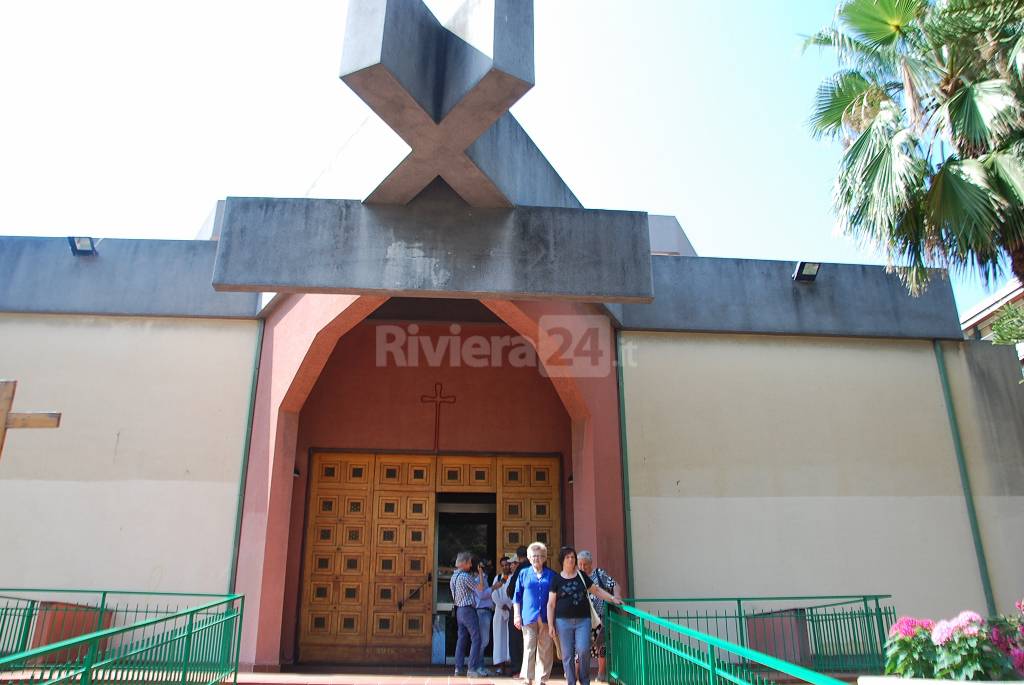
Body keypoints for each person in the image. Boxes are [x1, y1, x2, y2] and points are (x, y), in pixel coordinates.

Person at [547, 546, 622, 685]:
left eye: (572, 557)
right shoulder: (556, 579)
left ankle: (584, 680)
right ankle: (571, 681)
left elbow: (597, 590)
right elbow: (551, 604)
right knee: (568, 654)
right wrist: (551, 624)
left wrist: (612, 598)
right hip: (563, 622)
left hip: (583, 620)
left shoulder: (581, 576)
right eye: (568, 557)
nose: (571, 559)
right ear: (562, 560)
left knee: (583, 650)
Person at [513, 542, 556, 684]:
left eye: (539, 556)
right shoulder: (523, 573)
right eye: (533, 556)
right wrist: (516, 615)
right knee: (529, 647)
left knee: (545, 648)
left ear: (544, 558)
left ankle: (542, 679)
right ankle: (528, 677)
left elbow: (556, 596)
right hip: (528, 616)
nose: (536, 558)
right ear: (529, 558)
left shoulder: (551, 575)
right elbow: (516, 597)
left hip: (546, 617)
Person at [577, 550, 621, 683]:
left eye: (586, 564)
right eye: (580, 564)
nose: (583, 567)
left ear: (591, 564)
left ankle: (601, 674)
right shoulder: (576, 576)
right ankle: (575, 675)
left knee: (602, 646)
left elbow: (615, 585)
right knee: (580, 647)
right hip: (583, 618)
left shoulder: (598, 574)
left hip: (601, 618)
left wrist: (617, 596)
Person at [450, 551, 489, 677]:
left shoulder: (453, 577)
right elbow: (481, 588)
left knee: (461, 639)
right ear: (464, 563)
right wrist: (481, 574)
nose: (471, 564)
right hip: (468, 610)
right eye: (470, 562)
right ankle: (471, 668)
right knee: (476, 638)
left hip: (458, 610)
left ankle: (458, 668)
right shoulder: (465, 576)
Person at [506, 545, 530, 677]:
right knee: (530, 640)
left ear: (519, 557)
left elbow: (510, 590)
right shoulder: (537, 567)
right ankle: (531, 670)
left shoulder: (520, 569)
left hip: (518, 608)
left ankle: (517, 669)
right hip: (533, 609)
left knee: (516, 640)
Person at [491, 557, 516, 675]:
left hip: (512, 611)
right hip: (499, 611)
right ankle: (500, 665)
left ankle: (512, 664)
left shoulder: (514, 578)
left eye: (508, 565)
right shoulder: (498, 578)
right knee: (499, 638)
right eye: (503, 565)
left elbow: (516, 593)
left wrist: (510, 606)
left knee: (510, 638)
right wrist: (502, 605)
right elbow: (494, 593)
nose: (506, 567)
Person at [473, 557, 495, 658]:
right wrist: (493, 588)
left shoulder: (485, 579)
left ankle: (480, 666)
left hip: (487, 612)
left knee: (484, 641)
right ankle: (477, 666)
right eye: (487, 565)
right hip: (482, 612)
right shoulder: (478, 580)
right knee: (483, 641)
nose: (490, 567)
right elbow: (481, 595)